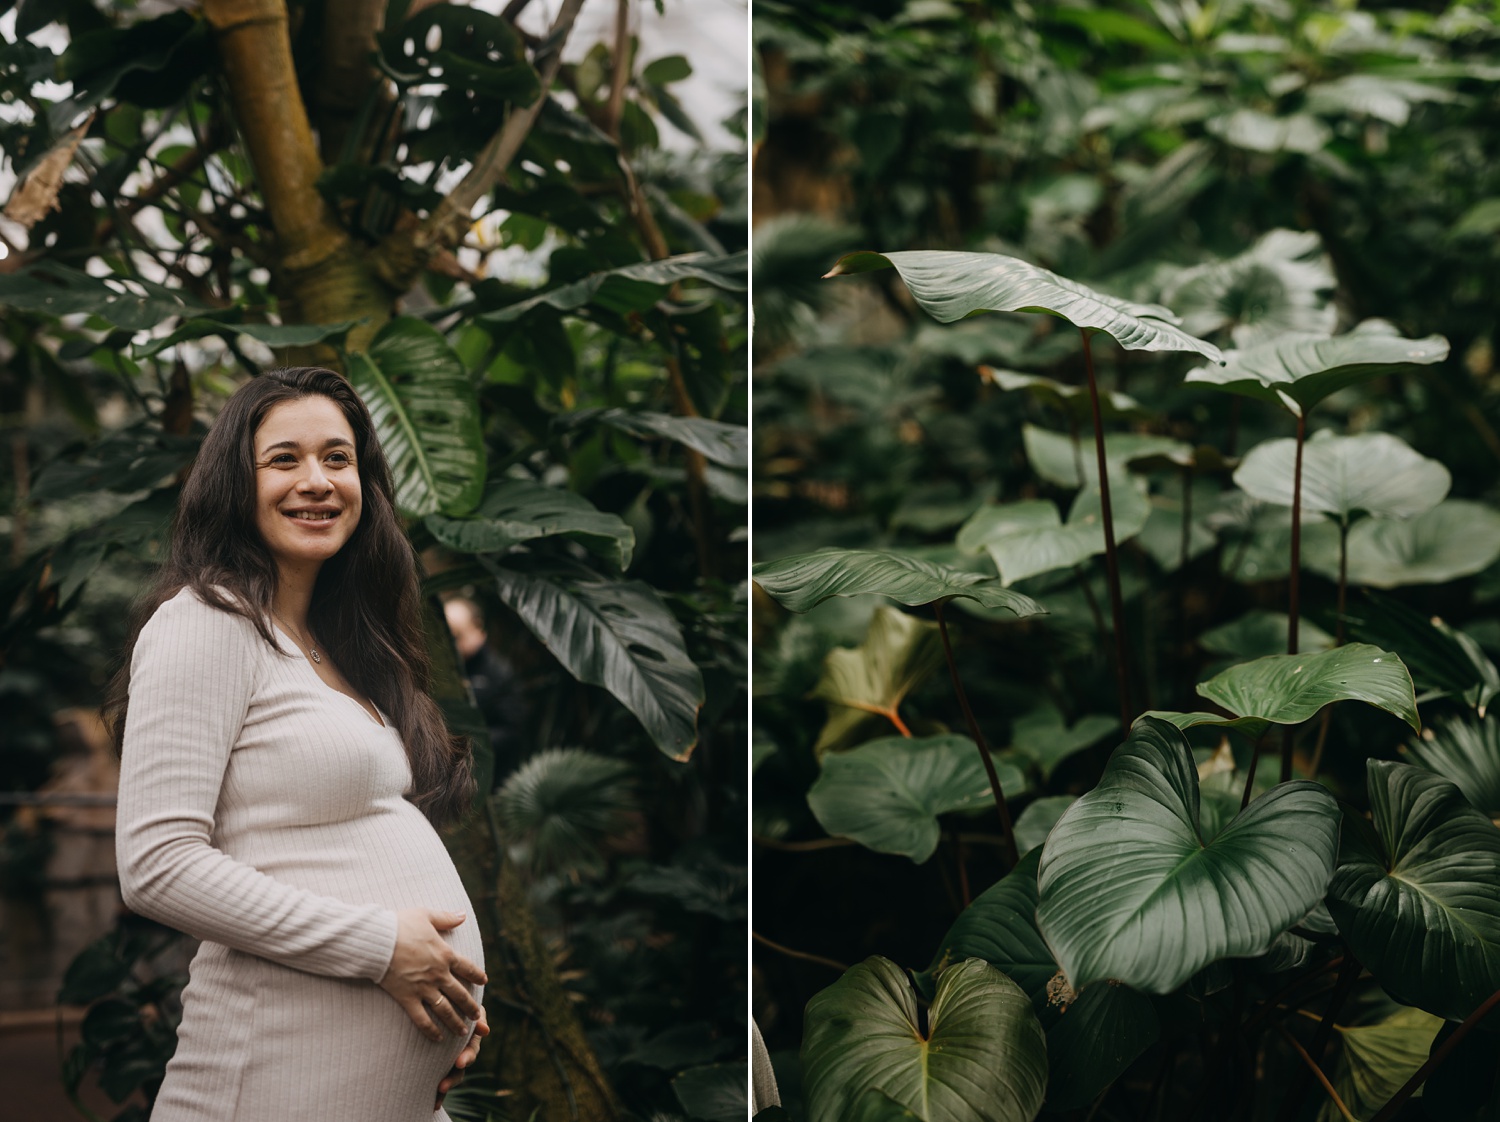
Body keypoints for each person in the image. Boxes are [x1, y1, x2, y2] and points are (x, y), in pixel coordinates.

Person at [109, 367, 490, 1121]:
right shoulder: (206, 622)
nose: (316, 481)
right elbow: (156, 864)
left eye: (337, 459)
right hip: (265, 1082)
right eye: (284, 459)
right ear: (234, 484)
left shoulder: (341, 640)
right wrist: (382, 948)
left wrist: (449, 1000)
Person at [443, 597, 528, 787]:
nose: (451, 645)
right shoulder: (444, 669)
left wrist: (468, 743)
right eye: (446, 638)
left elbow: (512, 731)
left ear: (477, 627)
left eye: (457, 636)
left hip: (490, 778)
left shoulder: (498, 672)